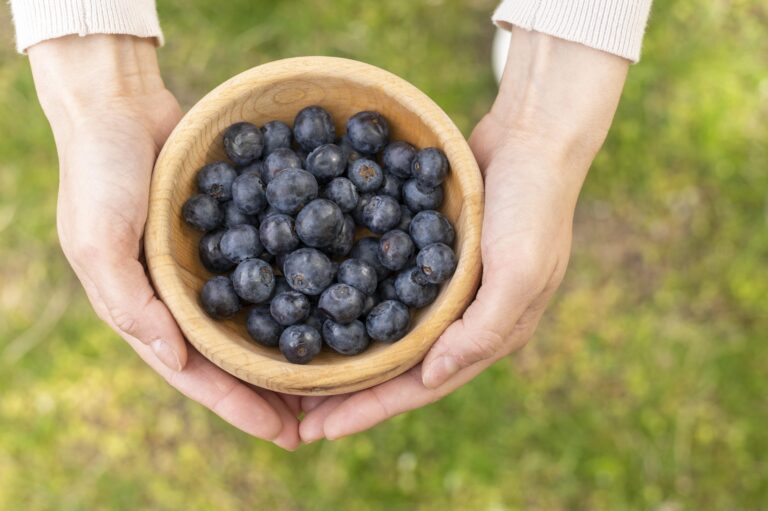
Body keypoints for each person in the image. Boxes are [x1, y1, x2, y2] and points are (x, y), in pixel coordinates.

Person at [9, 0, 653, 450]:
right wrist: (99, 93)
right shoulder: (280, 241)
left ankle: (546, 38)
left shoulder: (342, 213)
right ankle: (542, 44)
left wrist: (553, 109)